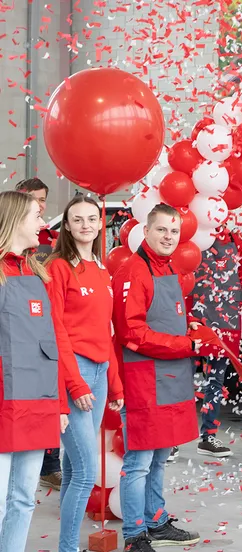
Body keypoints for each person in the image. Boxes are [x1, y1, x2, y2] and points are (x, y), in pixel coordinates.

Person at [111, 203, 202, 552]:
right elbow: (131, 332)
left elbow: (163, 316)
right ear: (146, 231)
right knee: (139, 462)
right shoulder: (133, 271)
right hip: (144, 380)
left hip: (170, 376)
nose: (168, 236)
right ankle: (134, 535)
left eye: (174, 231)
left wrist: (189, 326)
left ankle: (156, 521)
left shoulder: (169, 267)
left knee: (160, 457)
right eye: (161, 229)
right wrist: (184, 344)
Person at [46, 196, 125, 552]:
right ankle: (67, 548)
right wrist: (75, 384)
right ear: (66, 225)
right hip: (74, 372)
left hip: (99, 372)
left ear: (100, 223)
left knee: (73, 466)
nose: (85, 225)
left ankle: (67, 545)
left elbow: (105, 330)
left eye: (92, 219)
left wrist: (115, 384)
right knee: (85, 472)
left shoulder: (101, 269)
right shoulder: (59, 267)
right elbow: (56, 330)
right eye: (77, 219)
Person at [0, 191, 75, 551]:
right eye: (36, 216)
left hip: (36, 401)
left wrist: (58, 405)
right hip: (4, 402)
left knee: (24, 498)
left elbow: (51, 345)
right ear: (14, 220)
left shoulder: (38, 273)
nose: (42, 224)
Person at [15, 178, 63, 490]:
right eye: (32, 199)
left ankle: (50, 466)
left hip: (46, 329)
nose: (40, 205)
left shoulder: (52, 241)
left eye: (42, 199)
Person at [189, 224, 242, 458]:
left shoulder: (236, 240)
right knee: (182, 380)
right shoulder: (192, 235)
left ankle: (208, 437)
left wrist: (231, 305)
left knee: (215, 382)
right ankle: (172, 439)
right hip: (195, 317)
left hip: (225, 319)